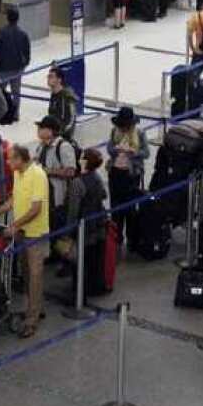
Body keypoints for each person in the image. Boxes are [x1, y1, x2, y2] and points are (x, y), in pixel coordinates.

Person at [0, 145, 50, 338]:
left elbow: (36, 208)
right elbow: (13, 200)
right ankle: (36, 308)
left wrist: (14, 225)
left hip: (35, 234)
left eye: (11, 159)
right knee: (28, 275)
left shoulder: (37, 175)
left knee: (35, 276)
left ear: (21, 158)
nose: (8, 162)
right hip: (22, 232)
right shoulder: (18, 173)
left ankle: (31, 321)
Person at [65, 148, 109, 298]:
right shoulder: (97, 177)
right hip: (98, 223)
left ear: (84, 161)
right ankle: (96, 286)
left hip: (83, 226)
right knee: (95, 259)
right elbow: (103, 195)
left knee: (80, 262)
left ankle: (79, 292)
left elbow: (73, 209)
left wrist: (68, 231)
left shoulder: (77, 182)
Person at [106, 107, 150, 249]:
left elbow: (146, 153)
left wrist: (133, 152)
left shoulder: (140, 133)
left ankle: (132, 238)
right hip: (115, 173)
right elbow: (109, 148)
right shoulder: (114, 132)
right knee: (115, 207)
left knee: (131, 207)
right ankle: (117, 236)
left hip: (132, 174)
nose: (123, 128)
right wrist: (117, 149)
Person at [35, 115, 76, 234]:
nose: (38, 130)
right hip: (41, 197)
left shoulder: (63, 147)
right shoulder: (41, 146)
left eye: (41, 128)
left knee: (55, 232)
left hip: (56, 200)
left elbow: (70, 172)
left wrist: (48, 171)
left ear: (50, 131)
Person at [0, 7, 30, 122]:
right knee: (16, 92)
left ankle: (0, 112)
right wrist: (24, 64)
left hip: (3, 68)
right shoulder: (23, 34)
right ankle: (16, 114)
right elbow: (27, 52)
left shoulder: (1, 32)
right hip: (17, 68)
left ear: (7, 18)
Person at [46, 66, 79, 140]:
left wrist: (61, 133)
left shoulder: (66, 96)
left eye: (51, 77)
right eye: (48, 77)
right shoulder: (54, 94)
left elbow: (71, 119)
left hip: (63, 135)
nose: (48, 79)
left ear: (59, 80)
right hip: (54, 133)